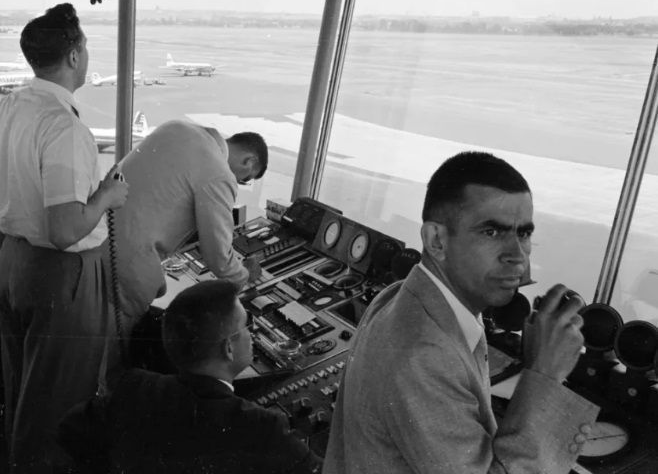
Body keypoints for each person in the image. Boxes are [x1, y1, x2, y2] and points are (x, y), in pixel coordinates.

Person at [324, 151, 599, 474]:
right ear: (436, 240)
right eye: (491, 232)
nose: (518, 256)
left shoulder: (400, 294)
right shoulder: (424, 356)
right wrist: (547, 374)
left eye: (523, 233)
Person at [0, 3, 129, 474]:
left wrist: (11, 257)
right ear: (75, 55)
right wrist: (106, 197)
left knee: (23, 391)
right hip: (62, 277)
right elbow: (65, 231)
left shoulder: (5, 109)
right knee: (60, 408)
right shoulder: (64, 126)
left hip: (15, 263)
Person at [59, 279, 321, 474]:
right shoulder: (262, 427)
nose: (251, 335)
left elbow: (69, 430)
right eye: (246, 326)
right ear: (228, 348)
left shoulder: (134, 387)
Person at [109, 119, 267, 337]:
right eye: (245, 179)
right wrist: (245, 275)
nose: (239, 182)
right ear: (249, 161)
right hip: (126, 267)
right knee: (114, 343)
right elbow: (219, 258)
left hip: (99, 239)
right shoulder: (219, 173)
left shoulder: (176, 127)